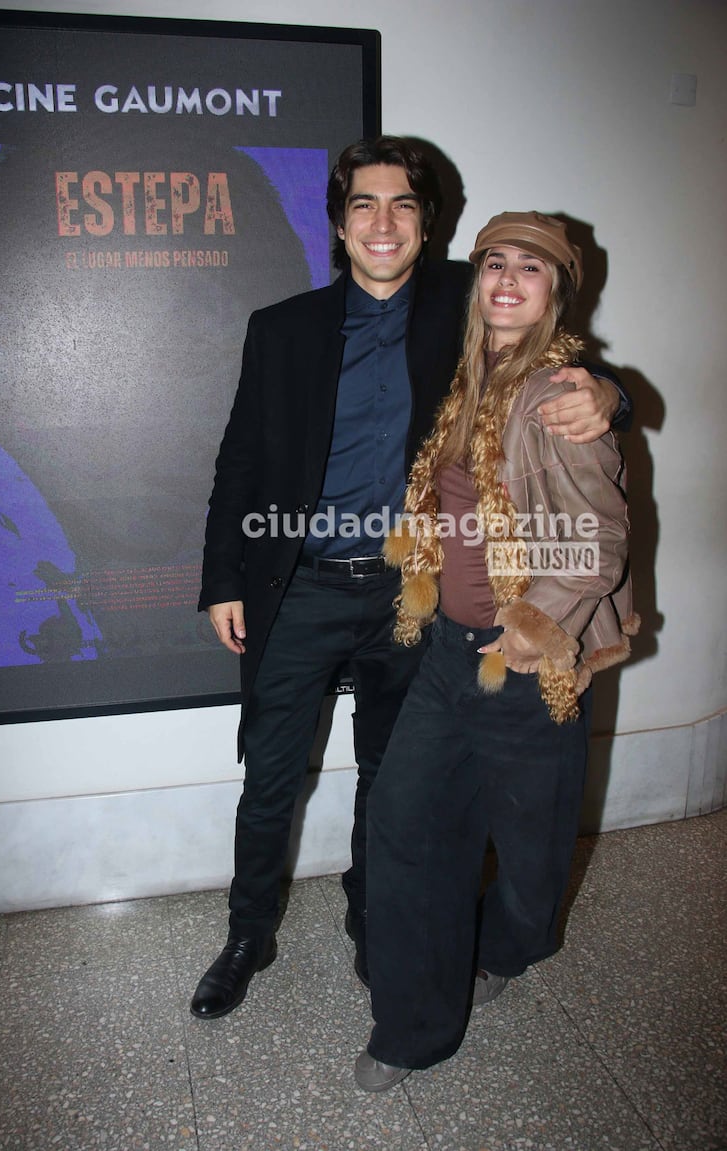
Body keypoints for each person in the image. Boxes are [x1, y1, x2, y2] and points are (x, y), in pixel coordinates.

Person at [191, 142, 628, 1022]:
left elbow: (547, 340)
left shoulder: (460, 306)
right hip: (299, 585)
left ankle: (369, 915)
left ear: (428, 226)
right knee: (270, 773)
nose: (382, 222)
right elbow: (239, 460)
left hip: (405, 593)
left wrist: (608, 392)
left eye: (401, 206)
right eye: (363, 205)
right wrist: (220, 578)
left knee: (389, 777)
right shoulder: (282, 328)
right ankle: (248, 932)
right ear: (339, 222)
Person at [354, 211, 638, 1091]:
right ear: (474, 279)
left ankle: (510, 945)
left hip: (522, 668)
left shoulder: (559, 395)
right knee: (403, 829)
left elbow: (598, 542)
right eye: (494, 265)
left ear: (558, 290)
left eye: (532, 269)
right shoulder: (463, 376)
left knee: (530, 852)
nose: (508, 281)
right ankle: (411, 1025)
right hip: (445, 655)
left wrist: (526, 633)